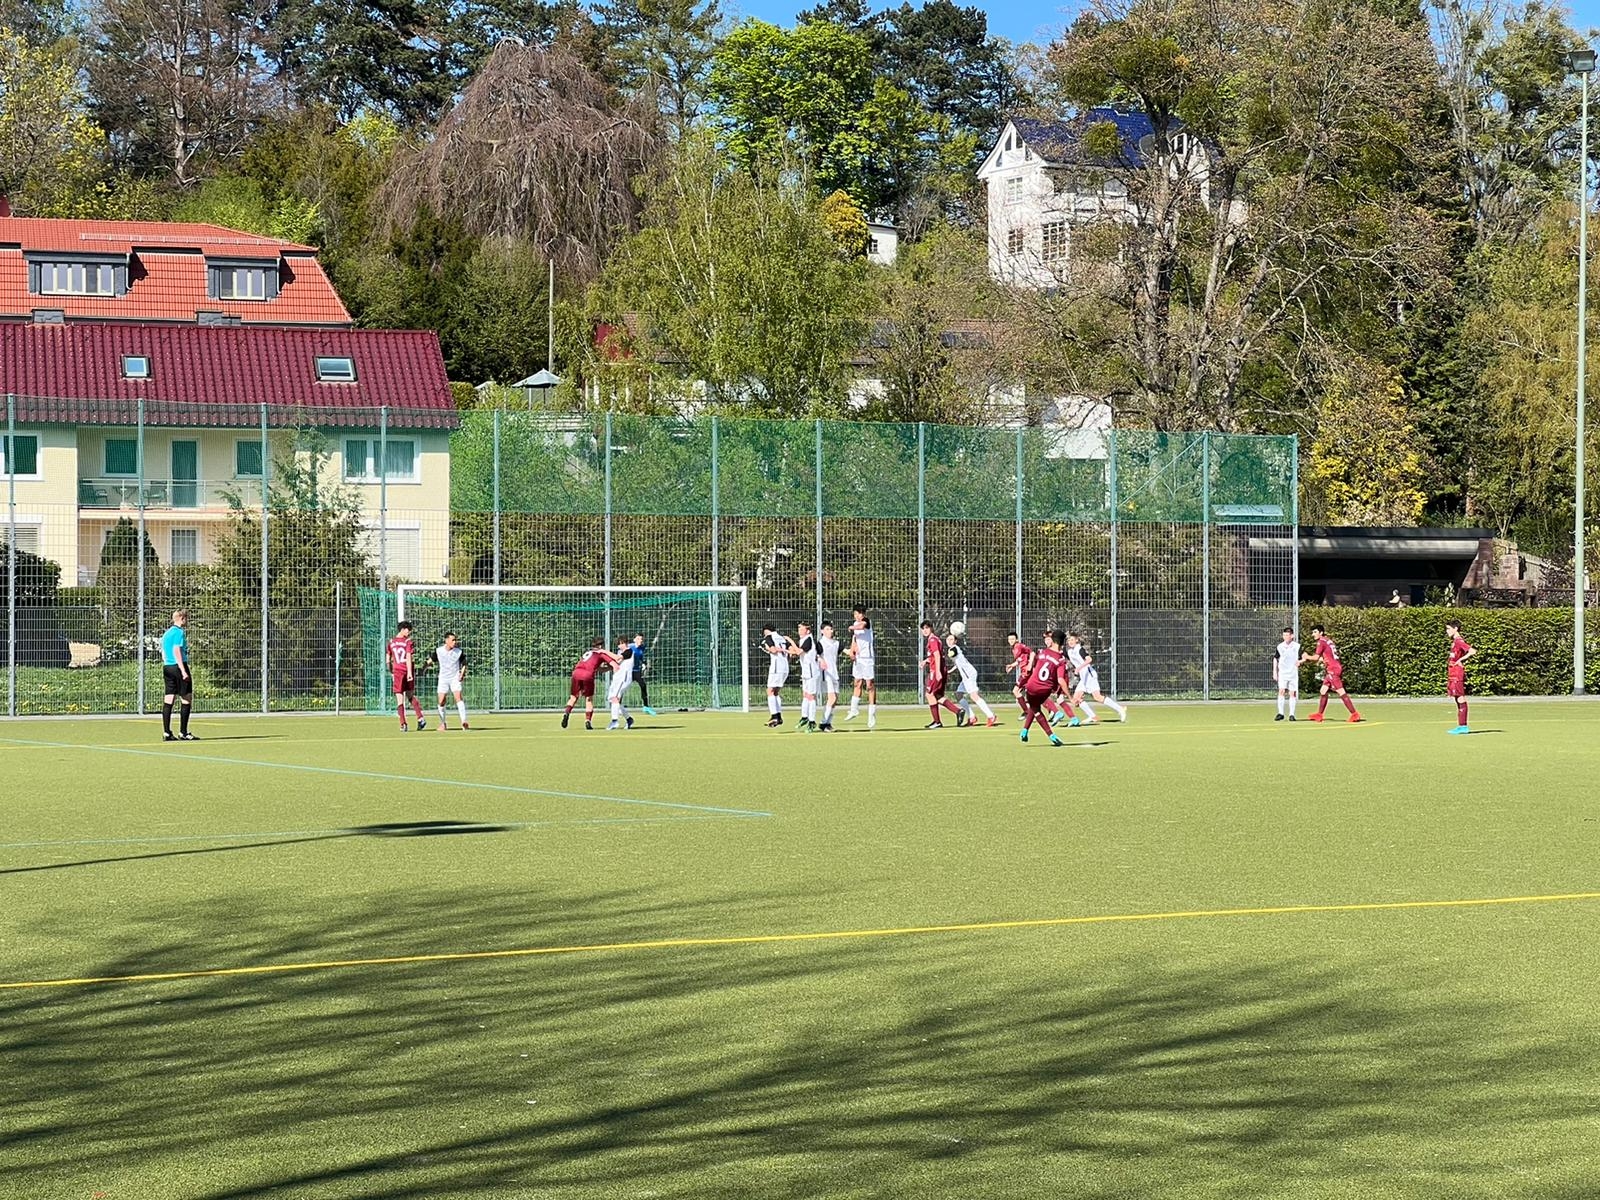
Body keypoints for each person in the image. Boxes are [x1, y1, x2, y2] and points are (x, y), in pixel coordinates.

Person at [1020, 629, 1073, 746]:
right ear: (1062, 643)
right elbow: (1060, 680)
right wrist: (1070, 697)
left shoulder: (1042, 652)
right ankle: (1043, 733)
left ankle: (1031, 731)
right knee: (1035, 708)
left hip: (1031, 685)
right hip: (1045, 689)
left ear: (1052, 640)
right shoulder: (1060, 659)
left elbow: (1034, 662)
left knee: (1035, 708)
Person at [1302, 623, 1362, 724]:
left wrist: (1307, 656)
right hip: (1334, 667)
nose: (1313, 634)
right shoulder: (1328, 640)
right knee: (1323, 691)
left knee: (1341, 692)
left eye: (1315, 632)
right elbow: (1325, 657)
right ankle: (1319, 714)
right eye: (1312, 632)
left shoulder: (1321, 642)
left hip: (1333, 669)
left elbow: (1316, 658)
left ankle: (1354, 714)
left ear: (1321, 633)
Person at [563, 638, 618, 729]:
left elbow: (597, 668)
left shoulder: (587, 653)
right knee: (589, 699)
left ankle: (566, 713)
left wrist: (607, 669)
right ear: (600, 646)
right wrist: (615, 670)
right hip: (587, 675)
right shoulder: (601, 653)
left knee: (573, 697)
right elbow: (614, 664)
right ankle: (588, 721)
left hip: (576, 673)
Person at [160, 608, 197, 742]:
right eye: (187, 618)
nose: (187, 621)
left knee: (169, 698)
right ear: (182, 618)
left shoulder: (167, 633)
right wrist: (182, 670)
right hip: (178, 666)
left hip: (167, 667)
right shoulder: (179, 633)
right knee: (186, 698)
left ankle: (166, 732)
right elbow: (177, 650)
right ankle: (183, 732)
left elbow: (164, 651)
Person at [921, 620, 963, 728]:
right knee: (937, 696)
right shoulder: (935, 640)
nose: (924, 630)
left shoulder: (933, 640)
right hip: (939, 670)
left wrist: (938, 671)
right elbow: (934, 656)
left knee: (929, 694)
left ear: (931, 628)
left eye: (927, 628)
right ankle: (958, 711)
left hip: (936, 671)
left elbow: (937, 656)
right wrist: (926, 661)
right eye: (923, 628)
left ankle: (937, 722)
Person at [949, 635, 998, 726]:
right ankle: (972, 717)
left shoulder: (954, 648)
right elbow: (958, 663)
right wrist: (950, 671)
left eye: (951, 639)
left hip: (969, 675)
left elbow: (952, 653)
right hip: (965, 676)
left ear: (955, 641)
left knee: (974, 696)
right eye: (948, 639)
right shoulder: (954, 649)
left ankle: (991, 716)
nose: (949, 641)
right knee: (958, 695)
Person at [386, 620, 426, 732]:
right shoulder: (408, 642)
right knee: (410, 695)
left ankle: (403, 724)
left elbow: (388, 659)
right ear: (403, 629)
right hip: (407, 670)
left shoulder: (391, 642)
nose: (409, 633)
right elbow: (408, 656)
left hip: (398, 671)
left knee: (400, 698)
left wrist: (391, 670)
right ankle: (420, 718)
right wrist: (409, 672)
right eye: (408, 630)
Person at [1069, 649, 1126, 722]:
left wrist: (1078, 668)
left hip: (1090, 676)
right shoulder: (1069, 650)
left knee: (1097, 697)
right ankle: (1093, 716)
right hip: (1083, 678)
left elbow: (1089, 659)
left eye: (1072, 639)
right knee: (1076, 699)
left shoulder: (1080, 649)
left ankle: (1121, 709)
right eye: (1069, 640)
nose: (1070, 641)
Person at [845, 607, 877, 729]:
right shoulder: (855, 624)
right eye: (855, 614)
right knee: (857, 682)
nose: (857, 616)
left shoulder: (866, 621)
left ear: (863, 614)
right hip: (858, 659)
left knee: (869, 685)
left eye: (858, 614)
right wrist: (852, 651)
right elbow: (855, 639)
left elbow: (861, 627)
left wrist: (852, 627)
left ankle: (872, 714)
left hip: (867, 658)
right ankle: (854, 710)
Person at [430, 631, 469, 731]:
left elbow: (464, 663)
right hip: (443, 678)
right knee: (441, 701)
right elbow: (431, 660)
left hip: (454, 678)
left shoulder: (458, 652)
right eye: (453, 640)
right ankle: (443, 723)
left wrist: (462, 673)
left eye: (455, 640)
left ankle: (464, 721)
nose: (455, 642)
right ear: (446, 640)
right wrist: (423, 668)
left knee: (458, 697)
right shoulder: (439, 651)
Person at [1446, 619, 1477, 735]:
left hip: (1457, 673)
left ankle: (1463, 726)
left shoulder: (1459, 641)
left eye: (1449, 629)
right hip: (1452, 672)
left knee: (1460, 697)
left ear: (1455, 629)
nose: (1447, 631)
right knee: (1456, 697)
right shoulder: (1454, 641)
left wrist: (1460, 660)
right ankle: (1461, 725)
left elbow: (1472, 651)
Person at [794, 620, 821, 732]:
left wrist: (789, 641)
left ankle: (812, 721)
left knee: (811, 696)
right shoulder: (803, 640)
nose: (799, 630)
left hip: (811, 672)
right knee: (805, 695)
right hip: (805, 672)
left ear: (808, 630)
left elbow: (799, 652)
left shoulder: (809, 639)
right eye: (799, 628)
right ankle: (804, 717)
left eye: (802, 628)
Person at [762, 624, 791, 728]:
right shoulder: (782, 638)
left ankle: (774, 716)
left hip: (776, 667)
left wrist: (767, 648)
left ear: (766, 631)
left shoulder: (769, 637)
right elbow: (791, 652)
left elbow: (773, 650)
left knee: (769, 691)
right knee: (775, 692)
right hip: (785, 667)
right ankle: (778, 717)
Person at [606, 637, 637, 731]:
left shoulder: (629, 651)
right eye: (618, 644)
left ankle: (614, 721)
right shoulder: (619, 653)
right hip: (617, 678)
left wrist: (604, 652)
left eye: (621, 643)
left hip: (624, 678)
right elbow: (615, 663)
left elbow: (618, 658)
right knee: (613, 700)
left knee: (615, 698)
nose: (619, 646)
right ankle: (629, 719)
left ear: (626, 643)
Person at [817, 620, 842, 731]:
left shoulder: (836, 643)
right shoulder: (820, 643)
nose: (830, 631)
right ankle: (823, 723)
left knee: (835, 699)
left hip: (834, 673)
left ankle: (828, 722)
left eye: (831, 629)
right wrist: (820, 659)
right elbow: (815, 655)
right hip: (826, 674)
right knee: (831, 698)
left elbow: (847, 651)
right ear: (822, 631)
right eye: (827, 629)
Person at [1272, 626, 1300, 722]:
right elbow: (1275, 658)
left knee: (1292, 693)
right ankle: (1281, 713)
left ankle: (1292, 714)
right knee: (1281, 691)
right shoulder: (1280, 646)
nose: (1285, 637)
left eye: (1287, 635)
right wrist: (1275, 672)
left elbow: (1304, 656)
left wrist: (1301, 661)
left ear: (1292, 636)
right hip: (1283, 673)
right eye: (1284, 635)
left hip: (1293, 673)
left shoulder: (1297, 646)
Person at [630, 633, 658, 716]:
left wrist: (643, 664)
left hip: (637, 671)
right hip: (628, 671)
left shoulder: (642, 647)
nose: (640, 641)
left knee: (643, 685)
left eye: (641, 639)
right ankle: (618, 707)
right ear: (634, 639)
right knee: (623, 688)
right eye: (638, 639)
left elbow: (641, 657)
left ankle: (646, 707)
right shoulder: (630, 647)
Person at [1005, 632, 1031, 721]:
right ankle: (1052, 711)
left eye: (1012, 639)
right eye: (1009, 639)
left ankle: (1026, 712)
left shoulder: (1019, 646)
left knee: (1016, 690)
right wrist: (1012, 665)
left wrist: (1030, 665)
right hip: (1025, 672)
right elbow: (1020, 660)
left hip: (1026, 672)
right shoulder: (1015, 648)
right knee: (1032, 692)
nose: (1010, 641)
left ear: (1016, 639)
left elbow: (1031, 653)